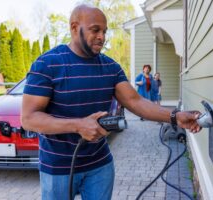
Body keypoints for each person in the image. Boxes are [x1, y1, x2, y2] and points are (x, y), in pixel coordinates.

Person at [21, 4, 201, 200]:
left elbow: (136, 101)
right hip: (58, 167)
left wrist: (175, 117)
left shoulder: (110, 67)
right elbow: (29, 118)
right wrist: (78, 125)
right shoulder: (47, 64)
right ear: (74, 28)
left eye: (104, 31)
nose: (102, 37)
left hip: (100, 164)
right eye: (95, 30)